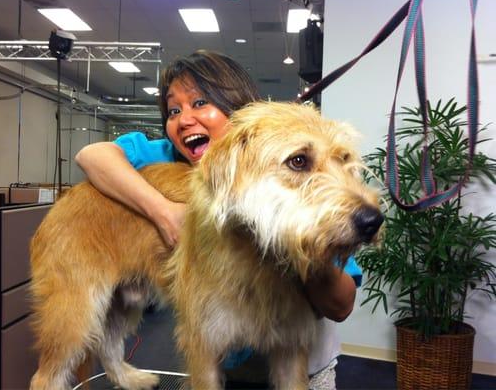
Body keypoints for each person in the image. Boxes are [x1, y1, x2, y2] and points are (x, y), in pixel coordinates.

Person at [76, 50, 361, 390]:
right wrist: (163, 211)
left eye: (199, 103)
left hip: (301, 365)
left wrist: (293, 246)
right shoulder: (172, 157)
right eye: (173, 110)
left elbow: (341, 305)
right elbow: (92, 156)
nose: (183, 120)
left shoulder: (289, 171)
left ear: (238, 111)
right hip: (224, 364)